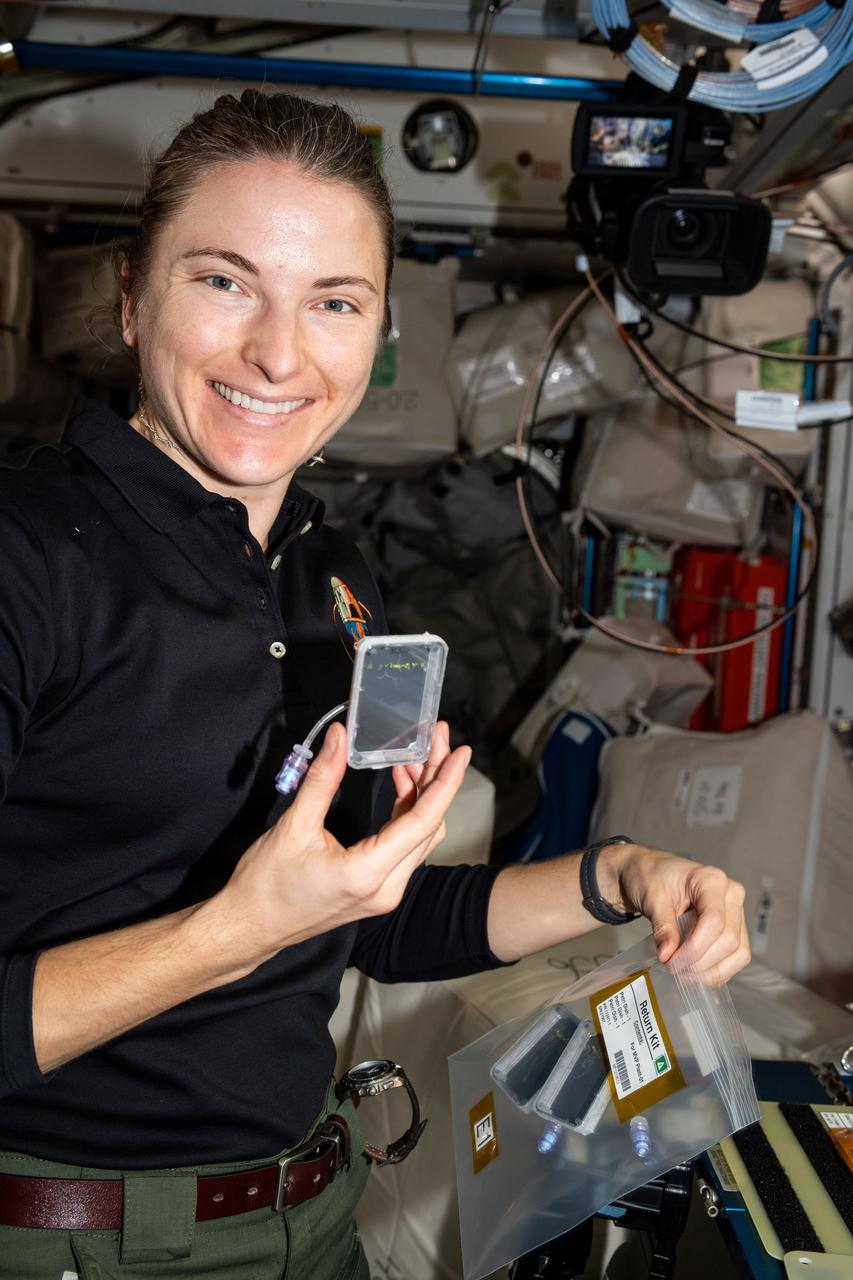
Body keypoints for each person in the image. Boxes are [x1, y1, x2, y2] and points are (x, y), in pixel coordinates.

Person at [0, 89, 750, 1279]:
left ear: (377, 326)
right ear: (132, 295)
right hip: (83, 1239)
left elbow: (367, 918)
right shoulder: (28, 556)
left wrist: (623, 875)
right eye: (224, 281)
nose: (279, 354)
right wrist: (231, 931)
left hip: (311, 1214)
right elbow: (263, 924)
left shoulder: (328, 574)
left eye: (333, 302)